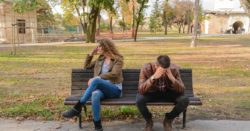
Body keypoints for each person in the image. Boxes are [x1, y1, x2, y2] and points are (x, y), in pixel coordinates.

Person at [62, 38, 124, 131]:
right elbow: (86, 67)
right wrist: (91, 54)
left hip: (114, 89)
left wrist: (98, 78)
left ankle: (77, 107)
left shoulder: (118, 59)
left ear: (106, 47)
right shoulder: (100, 59)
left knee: (96, 81)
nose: (97, 48)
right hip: (101, 89)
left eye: (99, 46)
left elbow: (114, 74)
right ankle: (98, 126)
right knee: (95, 94)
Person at [136, 55, 189, 131]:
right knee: (139, 100)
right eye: (161, 70)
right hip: (152, 93)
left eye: (165, 70)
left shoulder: (173, 69)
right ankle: (149, 120)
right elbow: (140, 90)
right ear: (156, 65)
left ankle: (168, 119)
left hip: (168, 93)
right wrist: (153, 77)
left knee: (184, 100)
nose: (163, 73)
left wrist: (172, 79)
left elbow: (182, 90)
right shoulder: (146, 68)